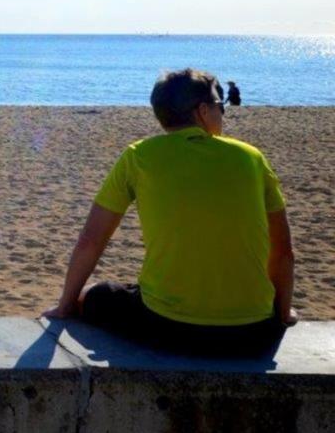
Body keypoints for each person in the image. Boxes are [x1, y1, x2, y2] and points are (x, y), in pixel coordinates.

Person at [43, 68, 296, 354]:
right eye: (219, 107)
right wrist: (283, 314)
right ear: (202, 111)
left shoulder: (138, 156)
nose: (222, 114)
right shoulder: (251, 157)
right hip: (252, 336)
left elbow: (91, 241)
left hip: (167, 328)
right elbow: (283, 250)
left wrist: (66, 306)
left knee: (95, 296)